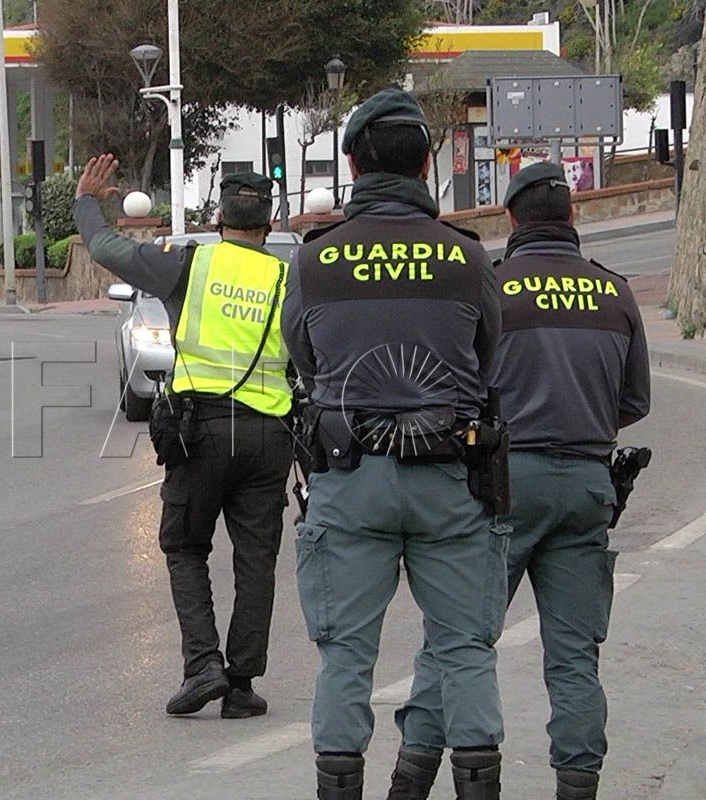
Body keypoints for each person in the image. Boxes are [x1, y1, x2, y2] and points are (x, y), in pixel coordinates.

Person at [388, 162, 651, 800]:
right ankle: (577, 784)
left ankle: (412, 777)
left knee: (457, 640)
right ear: (572, 217)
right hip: (588, 486)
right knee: (574, 655)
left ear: (511, 219)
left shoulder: (493, 287)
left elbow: (451, 387)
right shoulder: (615, 294)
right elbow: (633, 401)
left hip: (500, 486)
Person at [279, 88, 506, 799]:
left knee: (345, 655)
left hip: (350, 478)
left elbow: (305, 363)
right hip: (449, 479)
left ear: (352, 161)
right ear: (427, 163)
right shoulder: (467, 258)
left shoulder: (315, 261)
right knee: (466, 649)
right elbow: (490, 357)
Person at [73, 156, 294, 719]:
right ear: (268, 226)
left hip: (202, 431)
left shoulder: (189, 265)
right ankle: (241, 686)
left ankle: (203, 666)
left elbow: (106, 250)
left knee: (185, 547)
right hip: (270, 435)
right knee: (256, 559)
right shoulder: (287, 279)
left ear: (220, 217)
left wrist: (87, 203)